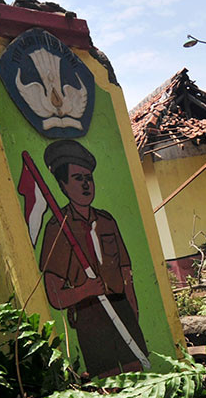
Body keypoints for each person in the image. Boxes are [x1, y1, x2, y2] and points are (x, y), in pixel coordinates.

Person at [38, 140, 149, 377]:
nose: (87, 184)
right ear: (63, 185)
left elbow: (125, 271)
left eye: (89, 177)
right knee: (109, 382)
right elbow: (54, 295)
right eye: (78, 178)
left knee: (137, 373)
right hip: (90, 315)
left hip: (120, 307)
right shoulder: (58, 229)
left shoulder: (107, 221)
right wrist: (84, 291)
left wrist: (132, 311)